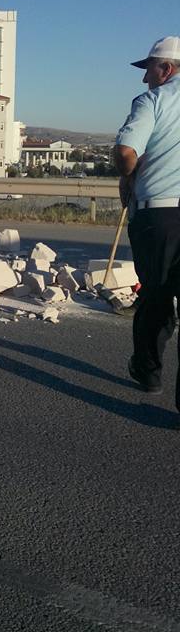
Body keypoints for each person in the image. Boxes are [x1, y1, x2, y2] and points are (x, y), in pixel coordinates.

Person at [114, 36, 180, 405]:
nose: (145, 80)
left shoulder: (154, 100)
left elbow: (126, 151)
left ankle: (149, 372)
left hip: (161, 216)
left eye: (149, 70)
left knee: (156, 296)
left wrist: (128, 177)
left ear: (166, 68)